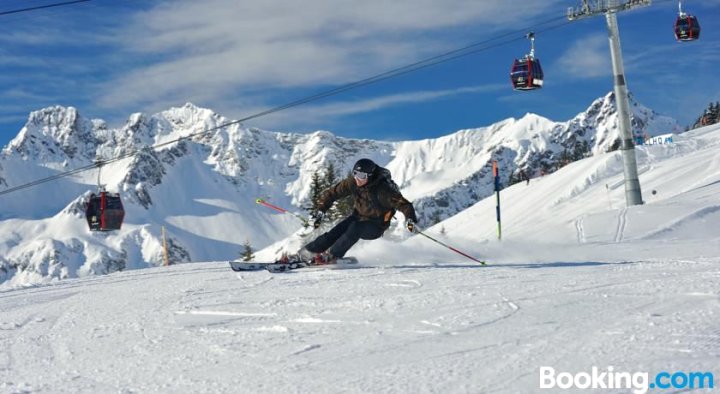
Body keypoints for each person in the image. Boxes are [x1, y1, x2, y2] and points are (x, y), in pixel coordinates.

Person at [297, 158, 418, 264]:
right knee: (337, 230)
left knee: (355, 228)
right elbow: (332, 193)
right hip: (358, 217)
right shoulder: (354, 182)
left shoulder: (383, 190)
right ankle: (307, 252)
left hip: (376, 226)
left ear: (370, 176)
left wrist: (410, 219)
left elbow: (404, 205)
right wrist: (320, 211)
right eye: (355, 174)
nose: (358, 179)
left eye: (362, 176)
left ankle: (332, 255)